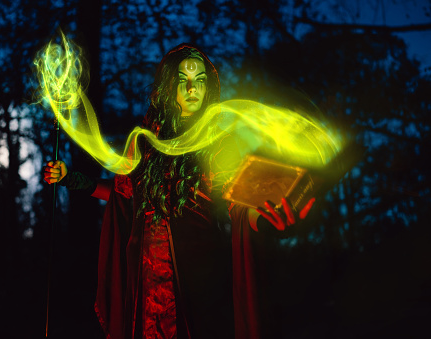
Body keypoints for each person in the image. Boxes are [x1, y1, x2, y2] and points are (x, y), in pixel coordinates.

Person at [43, 44, 314, 338]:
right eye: (183, 80)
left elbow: (239, 203)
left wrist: (263, 218)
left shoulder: (220, 143)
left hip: (196, 281)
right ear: (168, 86)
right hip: (143, 283)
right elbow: (125, 195)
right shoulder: (144, 141)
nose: (191, 88)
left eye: (199, 81)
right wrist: (74, 180)